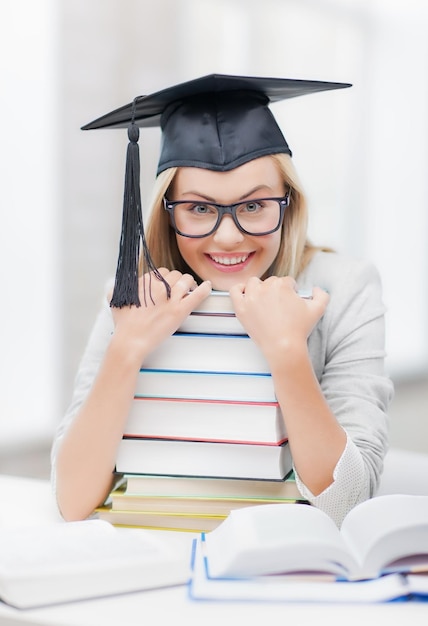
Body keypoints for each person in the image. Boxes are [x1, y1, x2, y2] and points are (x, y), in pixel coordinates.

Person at [51, 74, 394, 526]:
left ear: (288, 203)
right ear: (166, 212)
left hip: (286, 561)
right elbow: (72, 501)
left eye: (254, 206)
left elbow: (348, 504)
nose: (229, 237)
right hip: (156, 550)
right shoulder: (138, 293)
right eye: (199, 208)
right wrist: (127, 347)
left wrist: (288, 352)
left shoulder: (344, 286)